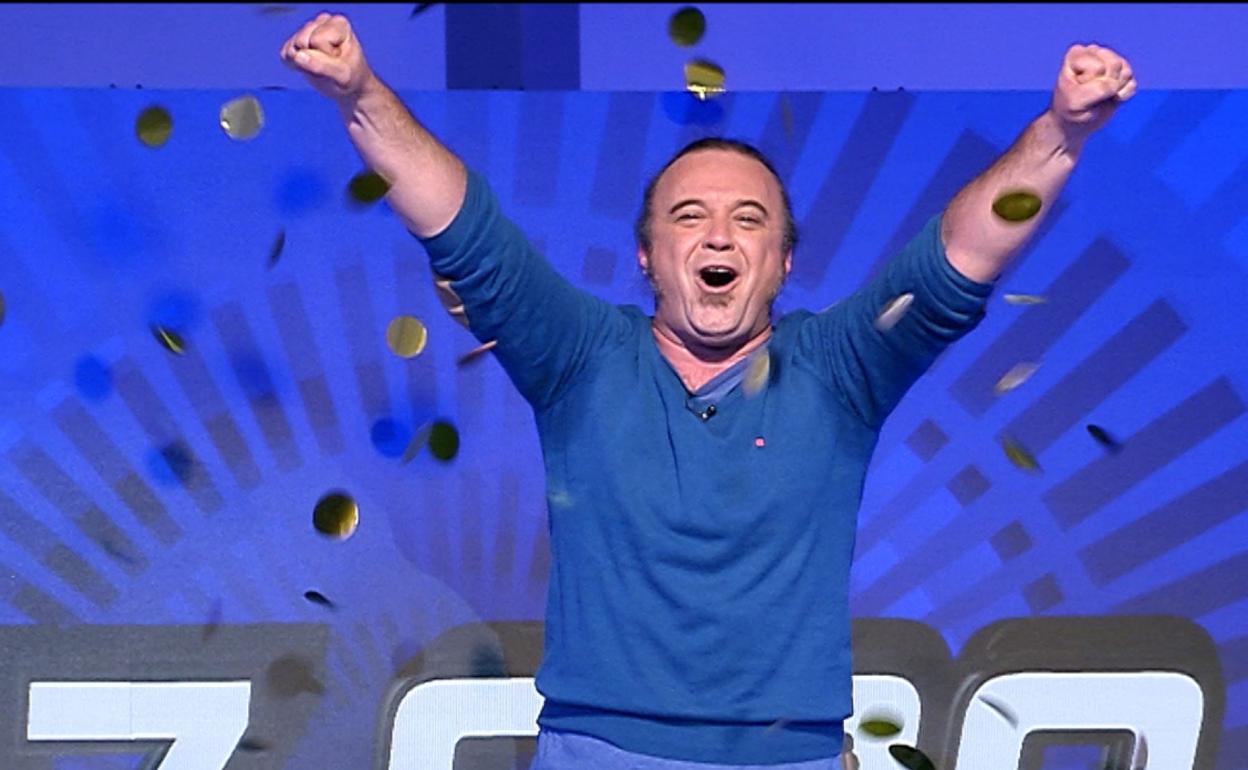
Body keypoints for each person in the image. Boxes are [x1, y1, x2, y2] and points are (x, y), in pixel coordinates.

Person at [281, 14, 1136, 769]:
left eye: (749, 219)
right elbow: (466, 234)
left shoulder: (839, 369)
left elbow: (959, 259)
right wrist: (359, 93)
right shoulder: (582, 356)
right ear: (647, 255)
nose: (720, 235)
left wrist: (1061, 131)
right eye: (689, 216)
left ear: (783, 263)